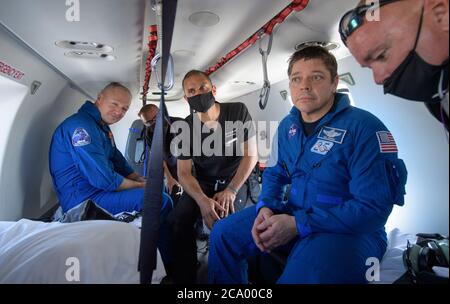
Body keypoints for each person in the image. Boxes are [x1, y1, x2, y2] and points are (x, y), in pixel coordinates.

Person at [208, 46, 408, 284]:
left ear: (334, 82)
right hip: (295, 212)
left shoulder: (365, 128)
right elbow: (274, 174)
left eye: (316, 77)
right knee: (222, 234)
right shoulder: (287, 128)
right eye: (296, 79)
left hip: (350, 230)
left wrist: (298, 225)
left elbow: (372, 209)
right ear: (291, 86)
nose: (304, 85)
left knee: (303, 275)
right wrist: (266, 208)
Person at [167, 70, 258, 283]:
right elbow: (183, 172)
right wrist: (202, 201)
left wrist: (231, 190)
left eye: (203, 88)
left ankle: (247, 274)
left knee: (231, 225)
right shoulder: (184, 128)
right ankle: (186, 276)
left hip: (236, 179)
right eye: (192, 91)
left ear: (213, 90)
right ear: (186, 98)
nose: (198, 93)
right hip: (204, 183)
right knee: (178, 221)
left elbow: (251, 155)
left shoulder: (237, 111)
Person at [49, 82, 172, 216]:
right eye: (114, 104)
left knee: (160, 189)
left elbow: (117, 159)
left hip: (99, 191)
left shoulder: (101, 127)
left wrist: (138, 178)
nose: (119, 112)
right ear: (99, 97)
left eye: (125, 109)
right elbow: (103, 179)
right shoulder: (81, 128)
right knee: (159, 199)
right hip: (82, 200)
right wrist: (140, 185)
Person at [340, 0, 448, 130]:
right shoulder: (437, 98)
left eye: (381, 55)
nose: (377, 79)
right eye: (369, 67)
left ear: (441, 14)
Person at [138, 104, 182, 203]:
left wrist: (184, 176)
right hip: (168, 166)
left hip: (186, 163)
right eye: (149, 122)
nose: (154, 123)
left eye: (156, 118)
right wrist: (169, 178)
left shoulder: (180, 124)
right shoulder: (149, 133)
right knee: (172, 192)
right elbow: (158, 157)